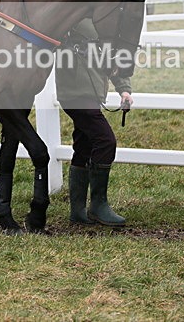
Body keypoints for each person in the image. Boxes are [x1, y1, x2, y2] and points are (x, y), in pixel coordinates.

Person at [56, 18, 132, 226]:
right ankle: (98, 206)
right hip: (74, 93)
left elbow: (111, 61)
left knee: (84, 146)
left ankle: (77, 212)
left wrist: (124, 89)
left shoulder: (101, 23)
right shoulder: (69, 17)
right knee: (106, 141)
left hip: (93, 95)